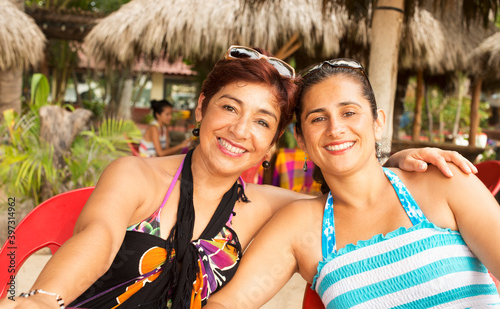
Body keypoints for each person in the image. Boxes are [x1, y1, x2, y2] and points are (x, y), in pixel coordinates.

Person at [0, 48, 476, 309]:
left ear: (272, 145)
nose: (240, 131)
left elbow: (355, 193)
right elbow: (99, 237)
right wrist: (43, 300)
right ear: (202, 108)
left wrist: (393, 161)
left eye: (263, 122)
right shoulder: (136, 174)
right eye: (229, 108)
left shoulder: (270, 207)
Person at [204, 58, 500, 309]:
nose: (336, 129)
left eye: (349, 112)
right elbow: (226, 303)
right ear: (302, 139)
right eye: (318, 119)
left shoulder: (443, 182)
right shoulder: (301, 227)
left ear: (377, 122)